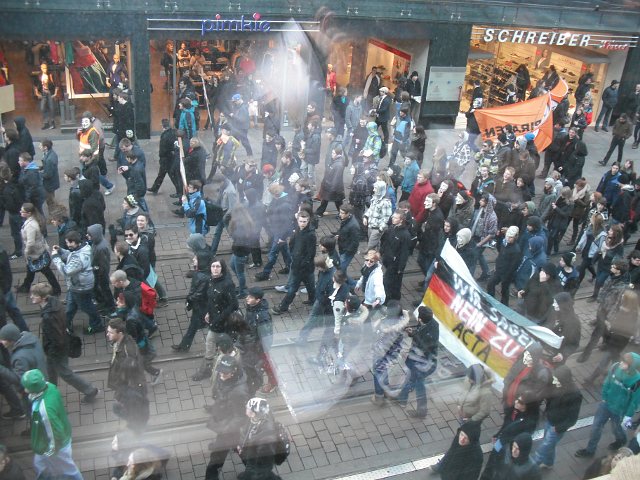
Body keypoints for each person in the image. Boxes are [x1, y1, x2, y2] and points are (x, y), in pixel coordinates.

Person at [30, 282, 99, 403]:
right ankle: (50, 392)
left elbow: (56, 338)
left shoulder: (48, 317)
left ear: (43, 298)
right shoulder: (54, 303)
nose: (31, 297)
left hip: (56, 349)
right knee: (50, 370)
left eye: (34, 295)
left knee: (65, 373)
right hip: (59, 345)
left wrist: (51, 352)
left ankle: (90, 390)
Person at [21, 369, 83, 480]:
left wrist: (49, 452)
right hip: (54, 440)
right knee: (41, 464)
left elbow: (54, 434)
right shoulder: (49, 386)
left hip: (57, 446)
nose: (25, 389)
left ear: (34, 389)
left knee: (69, 469)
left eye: (27, 387)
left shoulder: (44, 410)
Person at [575, 352, 640, 458]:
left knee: (617, 429)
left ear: (631, 367)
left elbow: (634, 401)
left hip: (620, 411)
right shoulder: (615, 368)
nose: (620, 363)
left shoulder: (637, 381)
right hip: (606, 405)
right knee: (596, 427)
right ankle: (590, 450)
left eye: (624, 363)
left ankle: (621, 440)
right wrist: (604, 397)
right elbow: (607, 383)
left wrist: (628, 416)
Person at [192, 257, 239, 382]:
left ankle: (224, 371)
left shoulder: (227, 283)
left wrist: (219, 318)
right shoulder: (211, 280)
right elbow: (211, 299)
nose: (215, 269)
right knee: (210, 343)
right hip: (214, 320)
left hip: (224, 323)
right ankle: (210, 368)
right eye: (213, 266)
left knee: (220, 346)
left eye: (218, 266)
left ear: (222, 268)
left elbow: (234, 304)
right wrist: (208, 312)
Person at [204, 355, 250, 480]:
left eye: (225, 372)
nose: (221, 375)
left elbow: (241, 416)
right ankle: (253, 470)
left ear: (234, 371)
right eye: (221, 371)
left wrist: (226, 430)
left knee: (216, 459)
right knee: (239, 447)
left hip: (228, 428)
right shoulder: (226, 379)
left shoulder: (239, 392)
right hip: (226, 424)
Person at [51, 230, 104, 335]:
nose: (67, 245)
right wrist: (61, 251)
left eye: (69, 243)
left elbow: (67, 271)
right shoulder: (85, 247)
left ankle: (97, 324)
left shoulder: (78, 258)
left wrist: (56, 258)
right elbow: (72, 254)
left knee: (86, 307)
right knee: (71, 306)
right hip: (77, 285)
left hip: (80, 287)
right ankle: (66, 324)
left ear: (75, 242)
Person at [531, 365, 582, 468]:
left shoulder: (575, 395)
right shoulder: (557, 385)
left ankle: (531, 467)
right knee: (549, 444)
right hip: (550, 419)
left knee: (544, 447)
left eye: (556, 380)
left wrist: (558, 428)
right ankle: (549, 462)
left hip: (557, 427)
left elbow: (572, 419)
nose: (554, 382)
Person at [106, 318, 149, 433]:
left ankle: (136, 429)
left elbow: (132, 376)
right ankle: (134, 425)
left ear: (120, 333)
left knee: (124, 410)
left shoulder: (128, 351)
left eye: (110, 332)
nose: (107, 334)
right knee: (119, 408)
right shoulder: (120, 342)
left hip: (130, 389)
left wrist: (121, 393)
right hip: (126, 387)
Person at [395, 306, 439, 418]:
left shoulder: (427, 336)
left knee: (418, 384)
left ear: (420, 319)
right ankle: (402, 399)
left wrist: (413, 335)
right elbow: (420, 334)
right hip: (422, 361)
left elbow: (422, 345)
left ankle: (420, 411)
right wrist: (413, 333)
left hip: (424, 364)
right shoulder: (432, 323)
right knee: (411, 378)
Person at [271, 211, 316, 315]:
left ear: (308, 221)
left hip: (302, 267)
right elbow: (292, 242)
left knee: (292, 288)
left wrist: (301, 263)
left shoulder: (311, 235)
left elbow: (310, 253)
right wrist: (294, 256)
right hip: (300, 265)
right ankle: (312, 300)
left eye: (304, 221)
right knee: (310, 285)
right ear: (298, 220)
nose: (302, 223)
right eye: (300, 221)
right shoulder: (298, 230)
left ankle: (283, 307)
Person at [0, 323, 48, 419]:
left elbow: (18, 379)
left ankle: (35, 430)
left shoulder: (20, 357)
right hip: (41, 377)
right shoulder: (30, 338)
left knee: (31, 410)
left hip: (31, 388)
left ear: (11, 340)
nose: (1, 341)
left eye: (3, 339)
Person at [16, 203, 62, 295]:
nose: (20, 212)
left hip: (36, 254)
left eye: (22, 211)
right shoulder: (33, 220)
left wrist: (26, 253)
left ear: (29, 213)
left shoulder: (31, 226)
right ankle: (25, 286)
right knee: (31, 271)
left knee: (45, 271)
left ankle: (56, 289)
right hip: (38, 251)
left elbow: (30, 242)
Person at [237, 397, 282, 480]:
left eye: (248, 408)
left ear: (254, 413)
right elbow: (248, 432)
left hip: (258, 461)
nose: (246, 409)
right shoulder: (256, 418)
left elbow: (264, 458)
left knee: (257, 474)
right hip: (253, 456)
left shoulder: (266, 437)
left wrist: (253, 468)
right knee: (264, 473)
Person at [380, 210, 411, 301]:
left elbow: (404, 253)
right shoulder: (391, 228)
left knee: (388, 281)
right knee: (395, 281)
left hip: (395, 263)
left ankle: (388, 299)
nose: (392, 219)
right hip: (388, 259)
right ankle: (395, 296)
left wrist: (401, 268)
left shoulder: (405, 235)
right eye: (393, 217)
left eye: (395, 217)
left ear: (401, 220)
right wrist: (381, 252)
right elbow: (385, 242)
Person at [487, 225, 522, 306]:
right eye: (507, 236)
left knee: (504, 290)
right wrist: (497, 265)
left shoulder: (516, 250)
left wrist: (506, 276)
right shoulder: (504, 243)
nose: (508, 239)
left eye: (511, 237)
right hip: (499, 270)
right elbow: (500, 254)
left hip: (507, 274)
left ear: (516, 237)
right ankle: (490, 301)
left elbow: (514, 266)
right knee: (490, 283)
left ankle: (504, 305)